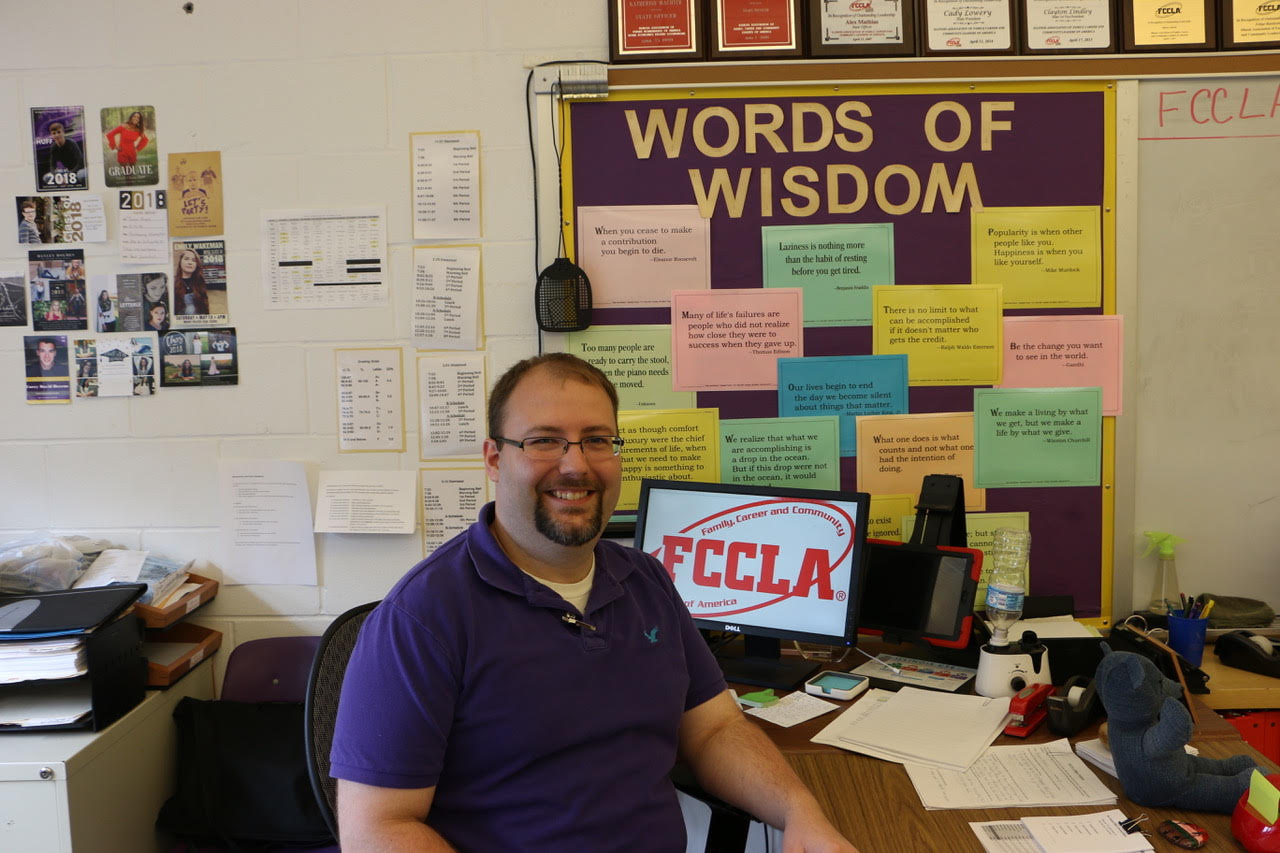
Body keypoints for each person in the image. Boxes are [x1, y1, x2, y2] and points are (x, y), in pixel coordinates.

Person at [330, 353, 857, 853]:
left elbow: (715, 730)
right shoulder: (421, 618)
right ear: (494, 459)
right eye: (544, 440)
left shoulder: (646, 581)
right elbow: (377, 829)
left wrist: (798, 809)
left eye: (597, 440)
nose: (575, 465)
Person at [41, 122, 86, 187]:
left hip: (78, 170)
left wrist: (68, 175)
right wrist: (57, 175)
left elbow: (81, 163)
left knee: (81, 175)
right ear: (51, 135)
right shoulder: (54, 147)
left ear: (63, 133)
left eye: (59, 132)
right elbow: (52, 165)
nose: (57, 135)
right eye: (54, 133)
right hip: (67, 171)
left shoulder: (72, 144)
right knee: (46, 177)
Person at [173, 248, 210, 315]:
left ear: (197, 264)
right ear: (180, 262)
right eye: (186, 259)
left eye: (193, 260)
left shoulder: (200, 283)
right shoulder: (173, 283)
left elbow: (205, 309)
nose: (190, 263)